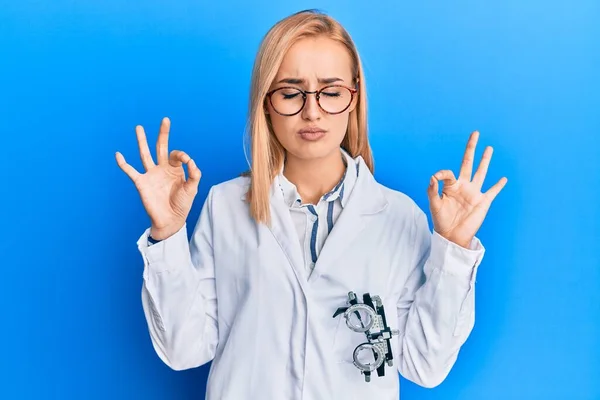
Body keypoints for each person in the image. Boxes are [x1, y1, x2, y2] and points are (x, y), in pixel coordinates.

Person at [115, 9, 507, 400]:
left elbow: (425, 366)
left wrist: (454, 250)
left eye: (331, 92)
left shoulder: (398, 217)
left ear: (354, 97)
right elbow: (184, 351)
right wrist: (167, 235)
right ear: (266, 102)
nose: (312, 111)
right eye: (290, 92)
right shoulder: (225, 206)